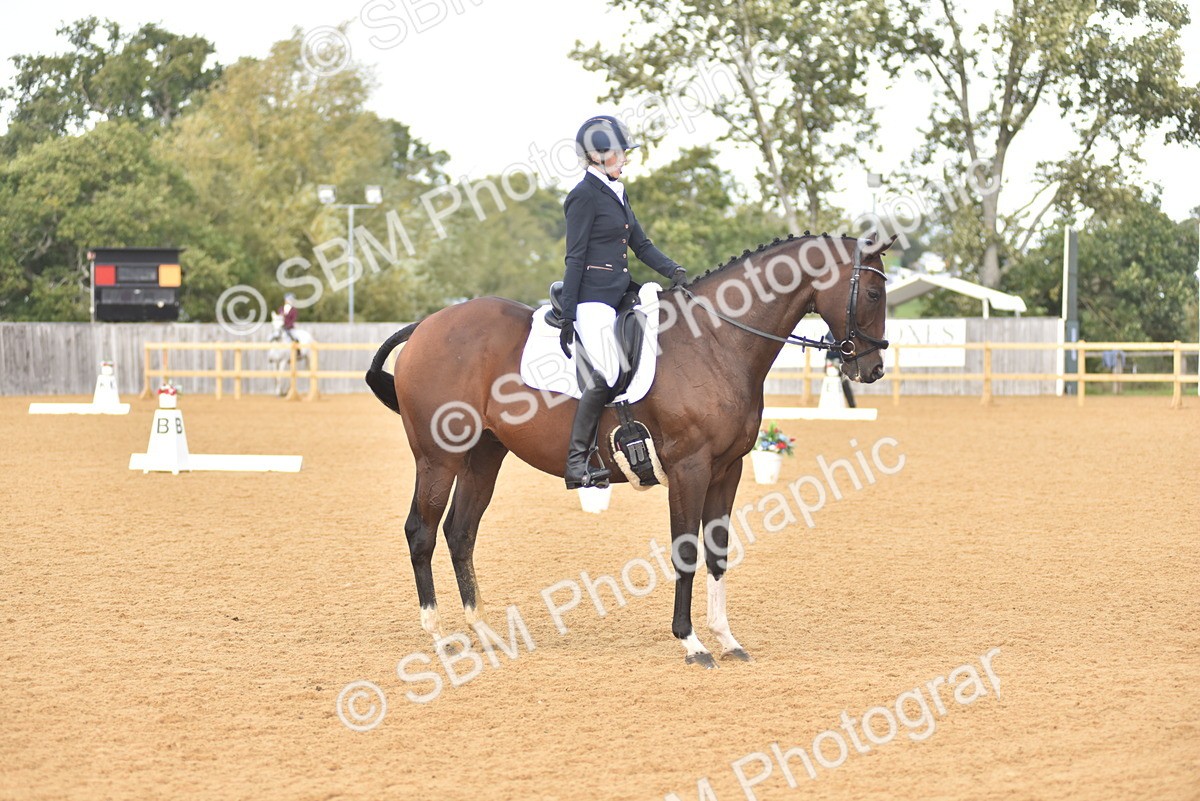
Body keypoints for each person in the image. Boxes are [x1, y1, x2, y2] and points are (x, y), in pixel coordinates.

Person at [558, 115, 689, 490]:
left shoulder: (617, 191)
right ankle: (576, 462)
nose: (626, 159)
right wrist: (570, 313)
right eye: (620, 153)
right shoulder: (583, 195)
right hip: (593, 300)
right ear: (598, 156)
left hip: (620, 293)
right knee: (609, 374)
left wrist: (675, 271)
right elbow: (575, 257)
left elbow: (641, 245)